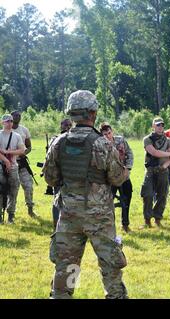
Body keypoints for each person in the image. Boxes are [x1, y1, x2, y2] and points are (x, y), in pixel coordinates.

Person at [43, 90, 129, 299]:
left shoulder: (58, 143)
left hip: (69, 215)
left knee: (68, 265)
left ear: (71, 113)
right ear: (93, 113)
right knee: (109, 265)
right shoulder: (102, 143)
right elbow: (117, 178)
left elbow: (50, 178)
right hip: (98, 216)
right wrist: (124, 169)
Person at [100, 123, 134, 233]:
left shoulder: (120, 140)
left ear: (112, 132)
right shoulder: (100, 145)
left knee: (127, 200)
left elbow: (129, 153)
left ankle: (125, 224)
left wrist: (128, 169)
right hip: (109, 179)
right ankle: (110, 226)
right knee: (108, 202)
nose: (108, 136)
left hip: (123, 175)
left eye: (109, 133)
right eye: (105, 134)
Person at [140, 117, 170, 228]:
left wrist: (164, 166)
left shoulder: (168, 140)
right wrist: (169, 154)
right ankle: (147, 219)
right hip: (150, 170)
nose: (160, 127)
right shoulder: (147, 139)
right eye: (158, 125)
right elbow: (154, 152)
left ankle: (157, 218)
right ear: (153, 126)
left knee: (162, 195)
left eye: (162, 125)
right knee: (147, 194)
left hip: (163, 170)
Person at [11, 110, 38, 218]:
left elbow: (29, 147)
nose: (18, 117)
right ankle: (11, 213)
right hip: (10, 164)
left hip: (22, 163)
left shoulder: (24, 130)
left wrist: (24, 152)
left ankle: (30, 209)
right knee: (12, 189)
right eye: (15, 115)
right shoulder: (5, 131)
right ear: (11, 117)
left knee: (28, 186)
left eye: (19, 115)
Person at [0, 114, 25, 224]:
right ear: (2, 123)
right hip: (0, 166)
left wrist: (9, 152)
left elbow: (22, 150)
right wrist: (5, 160)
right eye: (7, 121)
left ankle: (11, 215)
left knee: (14, 190)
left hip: (14, 166)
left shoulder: (17, 136)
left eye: (11, 121)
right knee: (0, 191)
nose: (9, 123)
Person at [50, 118, 73, 229]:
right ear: (61, 126)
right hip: (59, 176)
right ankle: (56, 226)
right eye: (65, 125)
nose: (67, 127)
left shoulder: (74, 140)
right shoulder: (55, 139)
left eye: (69, 125)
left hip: (71, 176)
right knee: (57, 201)